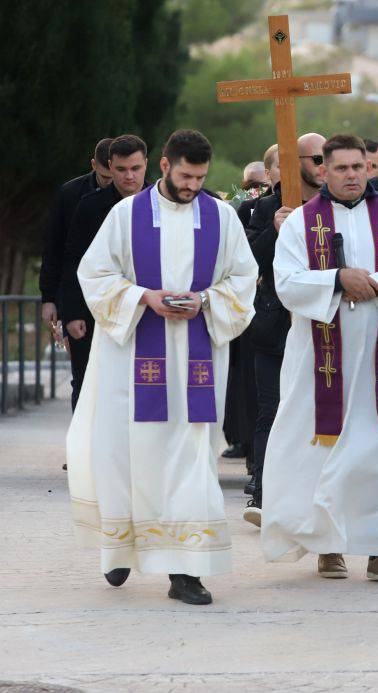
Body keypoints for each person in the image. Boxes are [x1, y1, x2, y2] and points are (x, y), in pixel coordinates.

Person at [66, 129, 258, 605]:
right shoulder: (125, 215)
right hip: (130, 358)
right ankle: (120, 547)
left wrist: (206, 300)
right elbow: (94, 273)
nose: (193, 185)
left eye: (201, 177)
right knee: (121, 454)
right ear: (165, 166)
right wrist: (143, 297)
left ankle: (185, 571)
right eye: (186, 175)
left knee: (191, 462)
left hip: (197, 363)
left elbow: (244, 279)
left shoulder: (222, 218)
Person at [261, 134, 378, 582]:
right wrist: (337, 279)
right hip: (320, 364)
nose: (352, 175)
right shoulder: (301, 223)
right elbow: (287, 282)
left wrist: (372, 284)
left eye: (359, 167)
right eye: (341, 168)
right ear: (324, 172)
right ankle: (328, 547)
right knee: (323, 451)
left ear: (372, 166)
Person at [239, 133, 326, 523]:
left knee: (316, 412)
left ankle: (310, 495)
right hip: (274, 324)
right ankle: (260, 491)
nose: (324, 166)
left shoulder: (333, 207)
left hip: (322, 324)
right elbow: (246, 264)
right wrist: (275, 228)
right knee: (269, 410)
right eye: (318, 158)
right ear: (297, 162)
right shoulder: (261, 208)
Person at [61, 135, 149, 409]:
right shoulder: (89, 206)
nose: (129, 176)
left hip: (145, 308)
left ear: (146, 164)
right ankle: (85, 451)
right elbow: (73, 260)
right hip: (92, 312)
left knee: (142, 383)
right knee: (87, 382)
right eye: (121, 169)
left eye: (135, 169)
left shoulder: (160, 206)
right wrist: (72, 313)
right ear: (110, 167)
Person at [40, 138, 113, 387]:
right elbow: (55, 249)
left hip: (116, 297)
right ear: (94, 165)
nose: (112, 183)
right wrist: (49, 297)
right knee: (83, 379)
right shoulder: (71, 194)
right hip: (79, 297)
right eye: (105, 176)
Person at [235, 160, 270, 228]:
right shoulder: (275, 199)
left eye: (259, 185)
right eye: (249, 186)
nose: (254, 191)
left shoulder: (235, 200)